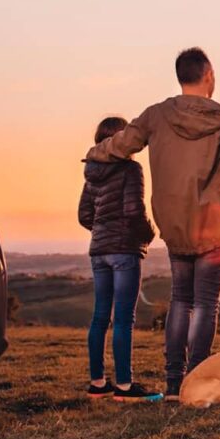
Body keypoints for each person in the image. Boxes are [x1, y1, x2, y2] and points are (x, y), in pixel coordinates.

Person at [86, 48, 220, 401]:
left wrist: (93, 155)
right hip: (215, 227)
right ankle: (196, 380)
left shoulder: (156, 116)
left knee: (181, 300)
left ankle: (174, 384)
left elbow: (121, 145)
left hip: (174, 224)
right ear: (209, 75)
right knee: (205, 304)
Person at [78, 116, 161, 401]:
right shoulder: (131, 170)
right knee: (124, 319)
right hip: (124, 249)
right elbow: (133, 211)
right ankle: (125, 387)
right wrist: (148, 235)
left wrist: (103, 232)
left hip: (99, 250)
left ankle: (97, 383)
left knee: (100, 316)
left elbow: (84, 216)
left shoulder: (91, 173)